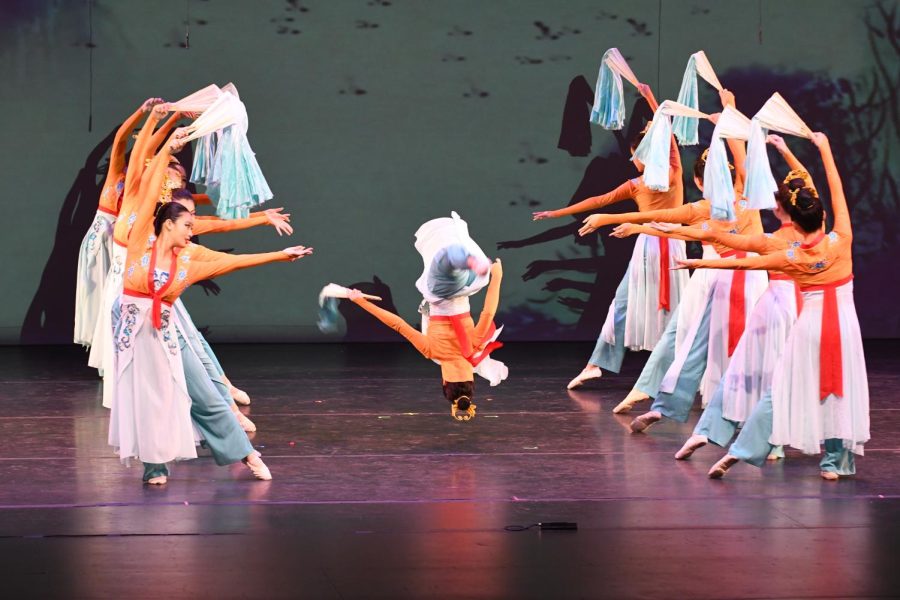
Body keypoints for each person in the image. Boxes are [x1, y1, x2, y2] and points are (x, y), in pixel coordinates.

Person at [108, 128, 313, 484]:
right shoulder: (142, 240)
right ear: (168, 223)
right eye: (187, 224)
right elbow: (147, 190)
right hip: (131, 328)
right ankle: (154, 466)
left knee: (205, 393)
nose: (192, 230)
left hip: (165, 330)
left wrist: (280, 256)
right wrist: (164, 151)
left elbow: (234, 261)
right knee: (144, 399)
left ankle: (248, 454)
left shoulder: (188, 260)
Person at [672, 132, 869, 481]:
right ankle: (835, 462)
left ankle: (740, 450)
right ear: (821, 215)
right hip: (844, 330)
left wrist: (700, 264)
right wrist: (824, 148)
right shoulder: (842, 240)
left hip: (807, 328)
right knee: (842, 389)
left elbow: (738, 257)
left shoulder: (788, 253)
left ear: (788, 213)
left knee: (782, 387)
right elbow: (835, 188)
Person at [533, 83, 688, 390]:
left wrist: (650, 99)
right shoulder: (654, 178)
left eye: (636, 156)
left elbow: (666, 134)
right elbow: (598, 201)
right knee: (625, 304)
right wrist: (558, 213)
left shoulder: (662, 176)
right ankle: (597, 364)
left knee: (660, 308)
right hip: (658, 246)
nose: (633, 161)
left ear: (645, 154)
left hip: (662, 246)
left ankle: (673, 368)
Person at [75, 98, 162, 350]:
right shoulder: (117, 172)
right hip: (102, 236)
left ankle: (115, 351)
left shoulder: (143, 187)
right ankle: (103, 353)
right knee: (97, 295)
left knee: (115, 296)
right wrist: (142, 112)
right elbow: (120, 139)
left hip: (122, 244)